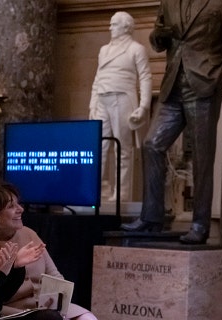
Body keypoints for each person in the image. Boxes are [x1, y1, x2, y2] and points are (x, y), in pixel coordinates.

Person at [121, 0, 222, 244]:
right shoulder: (169, 2)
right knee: (152, 144)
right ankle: (151, 218)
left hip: (204, 84)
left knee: (202, 157)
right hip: (173, 85)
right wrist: (159, 36)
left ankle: (200, 224)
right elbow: (157, 39)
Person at [0, 181, 97, 320]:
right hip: (11, 311)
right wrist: (14, 265)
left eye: (18, 204)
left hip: (47, 305)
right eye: (11, 206)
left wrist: (59, 301)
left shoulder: (29, 234)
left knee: (88, 318)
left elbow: (54, 275)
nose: (20, 209)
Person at [89, 11, 152, 203]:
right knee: (98, 146)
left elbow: (145, 77)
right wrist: (92, 103)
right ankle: (95, 190)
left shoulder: (136, 49)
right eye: (110, 24)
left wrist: (144, 106)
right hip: (102, 99)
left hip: (122, 98)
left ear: (126, 27)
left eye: (114, 24)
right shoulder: (103, 50)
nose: (110, 28)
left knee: (122, 148)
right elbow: (97, 78)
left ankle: (121, 192)